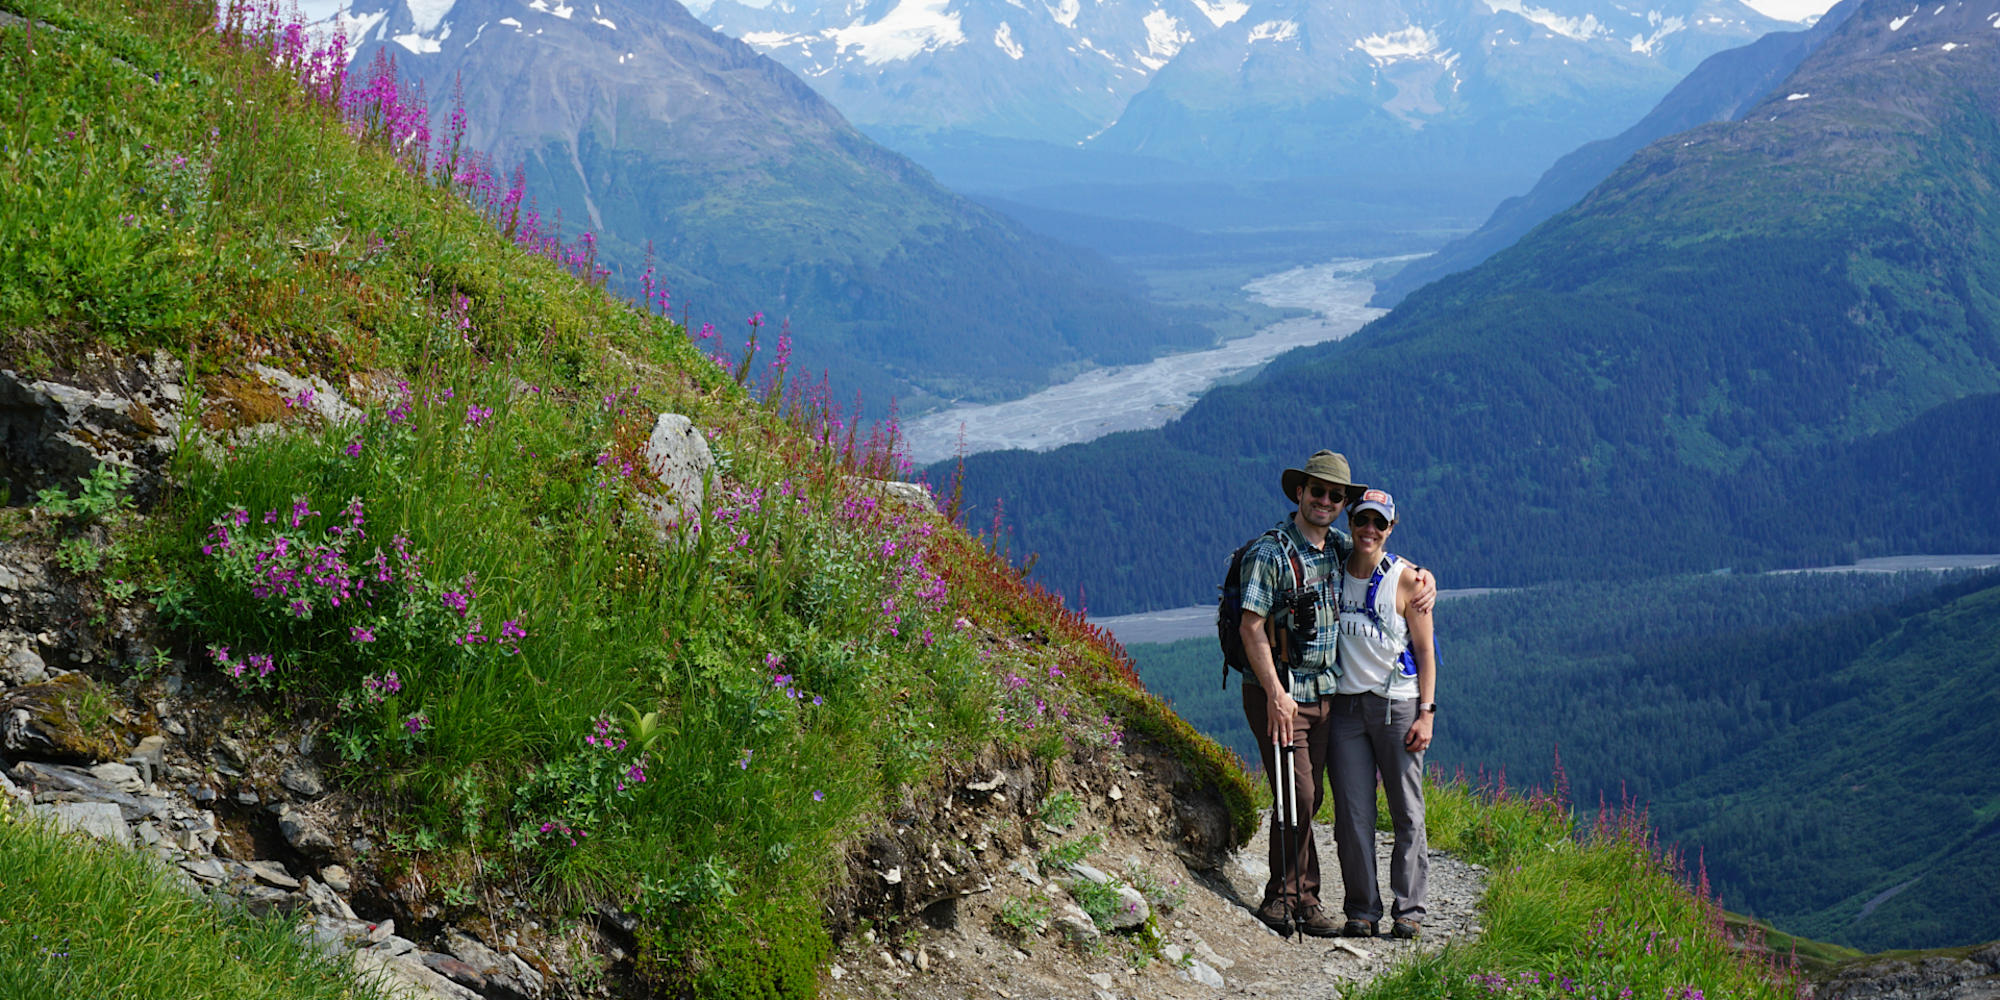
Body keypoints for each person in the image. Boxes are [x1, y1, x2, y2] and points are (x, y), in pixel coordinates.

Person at [1237, 452, 1434, 937]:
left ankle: (1305, 897)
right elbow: (1250, 626)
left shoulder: (1336, 547)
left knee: (1311, 795)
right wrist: (1275, 692)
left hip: (1327, 695)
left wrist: (1425, 579)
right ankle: (1282, 899)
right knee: (1298, 795)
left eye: (1334, 495)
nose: (1325, 500)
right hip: (1282, 694)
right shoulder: (1271, 552)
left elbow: (1380, 557)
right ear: (1299, 493)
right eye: (1317, 491)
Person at [1327, 488, 1438, 940]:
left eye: (1379, 523)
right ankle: (1361, 909)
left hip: (1398, 704)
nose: (1369, 530)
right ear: (1350, 523)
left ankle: (1409, 908)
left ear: (1391, 528)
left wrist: (1426, 712)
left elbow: (1426, 650)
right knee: (1353, 815)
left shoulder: (1408, 579)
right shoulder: (1332, 569)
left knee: (1407, 810)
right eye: (1362, 521)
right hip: (1346, 709)